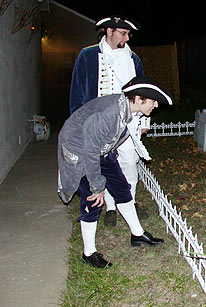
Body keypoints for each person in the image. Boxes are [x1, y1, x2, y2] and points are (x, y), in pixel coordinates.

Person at [58, 76, 173, 268]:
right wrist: (97, 186)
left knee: (122, 189)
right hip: (80, 152)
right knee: (92, 199)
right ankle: (89, 253)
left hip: (101, 149)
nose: (156, 106)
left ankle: (137, 234)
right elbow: (90, 150)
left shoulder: (128, 110)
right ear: (138, 99)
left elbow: (107, 141)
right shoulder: (109, 114)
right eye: (153, 101)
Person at [69, 15, 147, 228]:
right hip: (98, 124)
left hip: (127, 122)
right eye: (123, 33)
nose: (127, 38)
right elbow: (77, 93)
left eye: (129, 34)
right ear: (109, 31)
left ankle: (128, 201)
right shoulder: (88, 56)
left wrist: (144, 121)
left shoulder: (133, 59)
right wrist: (78, 125)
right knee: (103, 165)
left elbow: (142, 92)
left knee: (130, 163)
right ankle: (110, 208)